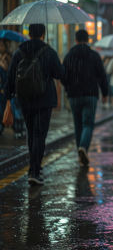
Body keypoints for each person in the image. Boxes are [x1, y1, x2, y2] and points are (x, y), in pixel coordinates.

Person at [4, 24, 64, 185]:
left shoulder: (19, 52)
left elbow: (10, 77)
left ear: (29, 34)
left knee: (31, 133)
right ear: (43, 34)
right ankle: (34, 170)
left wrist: (8, 96)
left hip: (25, 99)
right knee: (39, 135)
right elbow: (59, 74)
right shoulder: (49, 52)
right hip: (44, 100)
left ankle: (34, 166)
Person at [62, 30, 109, 167]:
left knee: (78, 124)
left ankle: (80, 151)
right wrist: (105, 92)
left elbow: (63, 76)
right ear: (88, 40)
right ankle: (83, 147)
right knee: (88, 124)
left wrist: (69, 87)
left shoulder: (69, 56)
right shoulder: (94, 56)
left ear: (76, 40)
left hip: (74, 95)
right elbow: (102, 75)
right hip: (90, 94)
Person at [0, 39, 11, 135]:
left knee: (2, 107)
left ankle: (2, 125)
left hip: (4, 86)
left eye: (1, 45)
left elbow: (6, 68)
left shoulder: (7, 56)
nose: (0, 46)